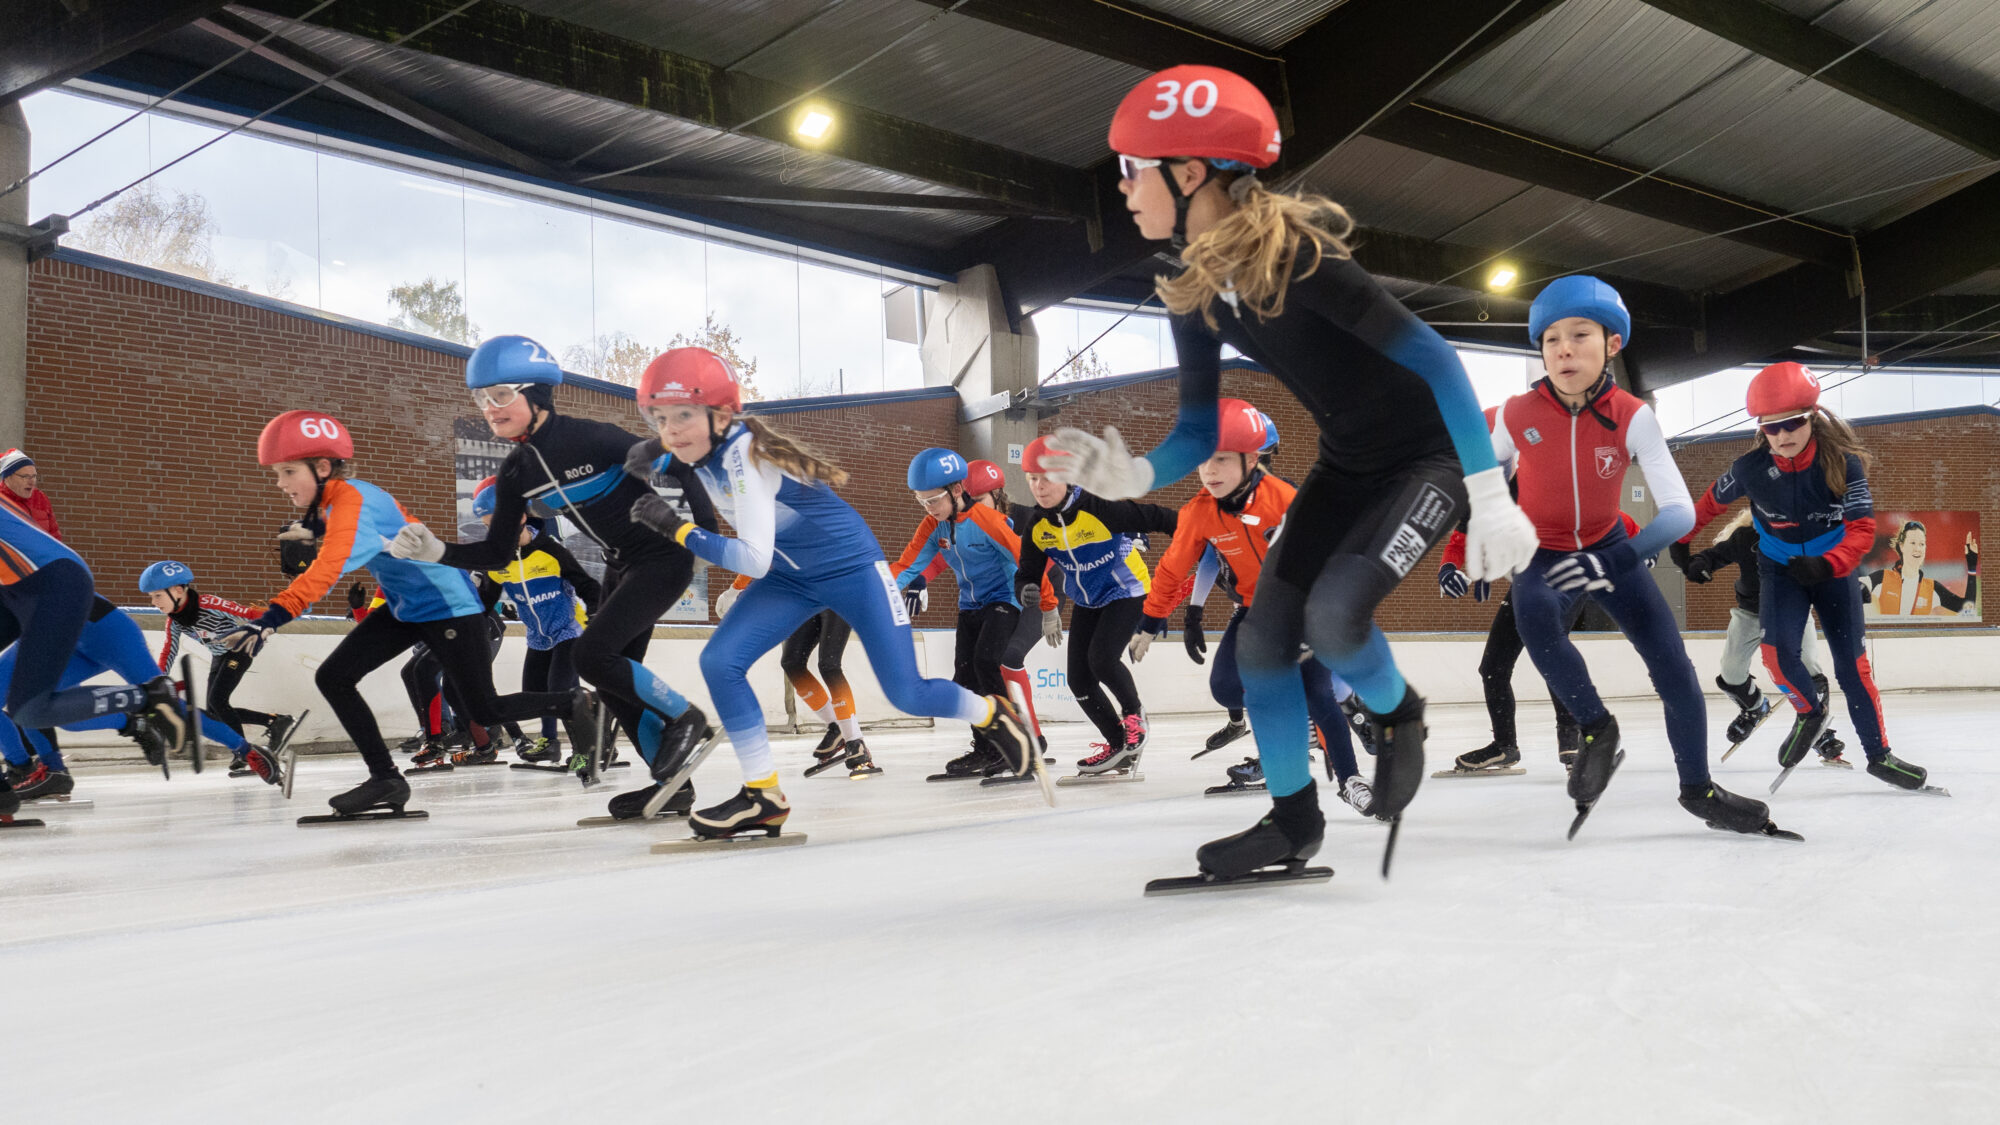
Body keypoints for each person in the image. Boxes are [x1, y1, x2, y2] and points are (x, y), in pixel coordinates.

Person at [1042, 65, 1541, 880]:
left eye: (1134, 167)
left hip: (1429, 458)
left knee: (1336, 617)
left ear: (1190, 171)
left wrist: (1488, 493)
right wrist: (1136, 474)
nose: (1124, 187)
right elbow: (1198, 429)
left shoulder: (1300, 259)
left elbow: (1438, 360)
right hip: (1348, 464)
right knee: (1268, 639)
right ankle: (1292, 821)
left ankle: (1399, 715)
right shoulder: (1196, 288)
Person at [626, 346, 1041, 838]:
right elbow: (759, 550)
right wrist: (650, 449)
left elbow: (753, 558)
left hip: (852, 570)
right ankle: (763, 796)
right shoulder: (699, 444)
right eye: (660, 418)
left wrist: (676, 530)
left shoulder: (745, 459)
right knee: (720, 661)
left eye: (683, 417)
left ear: (721, 415)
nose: (671, 430)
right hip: (791, 577)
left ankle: (993, 713)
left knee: (907, 693)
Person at [1490, 275, 1782, 834]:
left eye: (1580, 335)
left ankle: (1697, 790)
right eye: (1551, 339)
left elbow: (1677, 514)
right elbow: (1478, 472)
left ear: (1612, 344)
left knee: (1674, 671)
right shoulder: (1515, 414)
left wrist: (1617, 558)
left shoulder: (1632, 415)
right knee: (1533, 618)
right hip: (1545, 555)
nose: (1565, 349)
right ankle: (1597, 727)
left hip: (1610, 551)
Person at [390, 335, 718, 820]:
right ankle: (673, 786)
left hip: (661, 557)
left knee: (590, 655)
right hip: (619, 565)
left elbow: (684, 466)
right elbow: (498, 551)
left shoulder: (592, 437)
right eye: (481, 399)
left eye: (500, 395)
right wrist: (439, 551)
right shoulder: (516, 472)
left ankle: (686, 718)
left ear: (536, 394)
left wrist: (706, 539)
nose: (490, 408)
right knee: (611, 681)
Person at [222, 410, 574, 818]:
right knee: (335, 676)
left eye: (287, 472)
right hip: (407, 606)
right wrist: (310, 534)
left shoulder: (350, 502)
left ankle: (572, 703)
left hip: (447, 606)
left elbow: (325, 573)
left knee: (484, 709)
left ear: (321, 467)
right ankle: (386, 779)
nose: (281, 484)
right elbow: (354, 537)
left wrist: (270, 619)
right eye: (276, 474)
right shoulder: (336, 501)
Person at [1680, 361, 1935, 792]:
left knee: (1852, 668)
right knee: (1778, 657)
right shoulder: (1749, 468)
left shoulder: (1844, 462)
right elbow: (1707, 505)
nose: (1783, 435)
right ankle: (1809, 713)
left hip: (1833, 571)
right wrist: (1682, 542)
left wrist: (1829, 563)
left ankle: (1880, 756)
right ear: (1761, 430)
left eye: (1793, 423)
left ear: (1812, 418)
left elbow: (1863, 529)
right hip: (1779, 570)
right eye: (1771, 428)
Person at [1129, 398, 1374, 814]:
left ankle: (1350, 779)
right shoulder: (1199, 512)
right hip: (1253, 610)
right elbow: (1172, 568)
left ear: (1253, 458)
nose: (1208, 471)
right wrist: (1150, 622)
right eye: (1203, 460)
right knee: (1225, 686)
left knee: (1317, 691)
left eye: (1221, 460)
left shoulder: (1284, 499)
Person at [0, 489, 188, 821]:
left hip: (53, 591)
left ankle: (146, 698)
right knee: (28, 708)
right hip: (26, 593)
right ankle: (25, 772)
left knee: (29, 709)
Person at [1, 596, 278, 798]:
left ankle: (246, 750)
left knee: (164, 701)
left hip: (103, 630)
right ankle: (43, 769)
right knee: (37, 707)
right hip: (55, 634)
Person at [1015, 436, 1177, 776]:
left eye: (1047, 477)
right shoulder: (1037, 526)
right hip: (1087, 599)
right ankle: (1119, 744)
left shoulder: (1102, 507)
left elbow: (1164, 519)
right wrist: (1027, 589)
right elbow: (1026, 573)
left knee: (1101, 660)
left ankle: (1135, 715)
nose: (1038, 487)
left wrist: (1196, 544)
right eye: (1032, 478)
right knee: (1079, 681)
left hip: (1127, 591)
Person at [893, 447, 1056, 779]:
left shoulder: (988, 520)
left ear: (956, 491)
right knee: (965, 678)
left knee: (987, 661)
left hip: (1004, 599)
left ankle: (1018, 744)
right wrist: (871, 593)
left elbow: (1029, 561)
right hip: (970, 605)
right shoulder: (932, 526)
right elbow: (906, 566)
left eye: (933, 500)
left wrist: (1049, 606)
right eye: (921, 501)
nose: (928, 508)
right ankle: (985, 749)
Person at [1672, 509, 1848, 764]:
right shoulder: (1746, 538)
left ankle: (1818, 732)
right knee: (1731, 672)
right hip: (1750, 614)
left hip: (1793, 612)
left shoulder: (1801, 536)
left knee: (1809, 668)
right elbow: (1716, 555)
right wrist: (1702, 563)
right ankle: (1754, 707)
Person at [470, 480, 600, 763]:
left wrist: (596, 615)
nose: (495, 533)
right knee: (534, 693)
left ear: (519, 517)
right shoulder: (498, 562)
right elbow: (484, 602)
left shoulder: (552, 552)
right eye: (488, 526)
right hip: (538, 636)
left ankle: (585, 750)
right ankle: (550, 743)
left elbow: (588, 586)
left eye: (499, 524)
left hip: (569, 631)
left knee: (560, 690)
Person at [140, 560, 297, 772]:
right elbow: (168, 651)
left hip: (239, 650)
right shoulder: (174, 621)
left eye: (157, 595)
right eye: (151, 597)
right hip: (219, 656)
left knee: (217, 700)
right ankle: (275, 721)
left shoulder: (209, 604)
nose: (153, 602)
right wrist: (156, 682)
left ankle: (245, 753)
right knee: (214, 712)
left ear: (178, 590)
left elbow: (248, 614)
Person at [1862, 520, 1978, 616]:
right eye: (1912, 543)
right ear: (1901, 546)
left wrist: (1972, 565)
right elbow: (1857, 587)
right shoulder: (1881, 578)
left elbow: (1967, 606)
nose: (1917, 549)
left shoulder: (1932, 588)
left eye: (1921, 544)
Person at [0, 449, 60, 540]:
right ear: (8, 477)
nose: (32, 482)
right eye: (25, 476)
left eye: (34, 476)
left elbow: (54, 537)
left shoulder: (41, 499)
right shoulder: (2, 502)